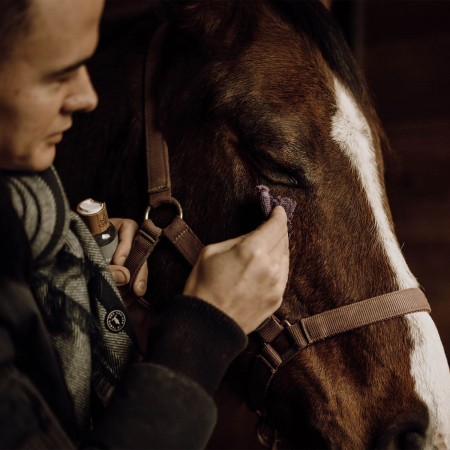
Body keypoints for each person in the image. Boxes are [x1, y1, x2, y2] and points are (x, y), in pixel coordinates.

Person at [0, 0, 290, 448]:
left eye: (86, 65)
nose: (87, 97)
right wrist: (206, 329)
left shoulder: (34, 206)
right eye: (57, 75)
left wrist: (86, 275)